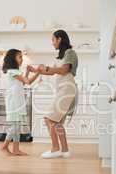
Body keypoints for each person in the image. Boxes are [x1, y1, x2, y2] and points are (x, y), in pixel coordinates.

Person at [30, 30, 79, 159]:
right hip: (63, 89)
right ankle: (65, 150)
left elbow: (64, 70)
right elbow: (52, 72)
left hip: (67, 89)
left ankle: (55, 148)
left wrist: (46, 69)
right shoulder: (61, 56)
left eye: (53, 40)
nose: (52, 43)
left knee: (49, 118)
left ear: (60, 39)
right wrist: (37, 70)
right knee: (57, 122)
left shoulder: (70, 52)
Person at [0, 49, 40, 156]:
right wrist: (38, 72)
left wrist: (27, 72)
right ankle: (4, 146)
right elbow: (28, 81)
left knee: (17, 126)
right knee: (15, 127)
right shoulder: (13, 71)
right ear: (13, 59)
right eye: (20, 57)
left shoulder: (15, 72)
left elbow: (23, 83)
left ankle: (16, 149)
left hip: (17, 101)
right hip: (14, 102)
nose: (22, 59)